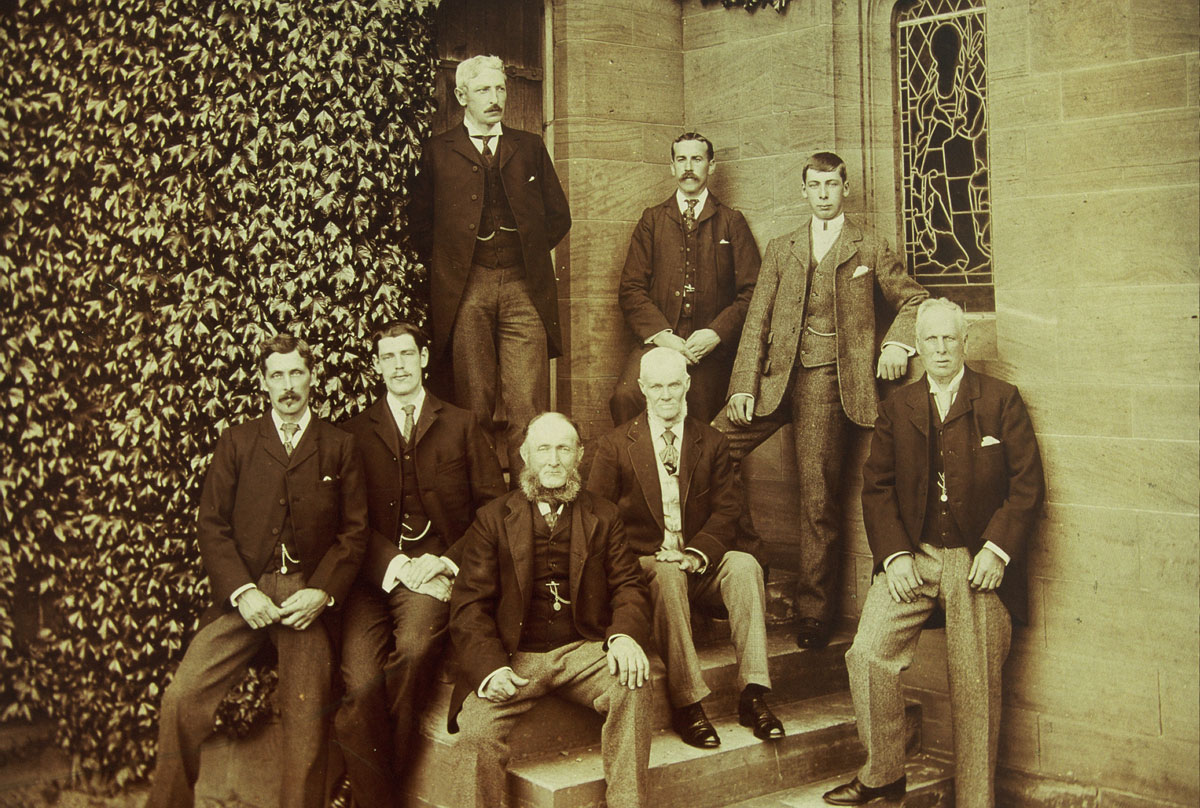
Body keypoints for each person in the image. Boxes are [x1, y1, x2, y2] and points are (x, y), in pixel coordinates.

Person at [823, 298, 1044, 807]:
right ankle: (883, 776)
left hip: (977, 559)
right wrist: (895, 556)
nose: (941, 349)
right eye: (931, 341)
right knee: (868, 654)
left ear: (965, 342)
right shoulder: (897, 407)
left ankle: (975, 800)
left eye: (950, 339)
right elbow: (876, 488)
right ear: (917, 347)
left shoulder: (1000, 400)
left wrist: (997, 550)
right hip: (916, 554)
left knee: (975, 683)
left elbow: (1027, 486)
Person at [715, 151, 928, 650]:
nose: (825, 193)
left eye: (833, 184)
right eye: (816, 185)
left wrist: (897, 342)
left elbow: (914, 299)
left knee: (817, 499)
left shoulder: (868, 246)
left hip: (828, 386)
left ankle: (815, 612)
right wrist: (742, 386)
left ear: (846, 187)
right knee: (707, 447)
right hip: (772, 380)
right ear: (803, 191)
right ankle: (739, 557)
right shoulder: (782, 247)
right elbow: (757, 323)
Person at [147, 335, 368, 808]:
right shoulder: (239, 441)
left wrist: (322, 593)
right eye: (277, 376)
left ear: (312, 376)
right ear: (263, 382)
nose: (288, 386)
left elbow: (355, 533)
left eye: (296, 373)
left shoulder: (339, 445)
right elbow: (211, 523)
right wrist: (243, 592)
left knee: (307, 721)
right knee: (181, 697)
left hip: (304, 599)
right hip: (245, 594)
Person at [335, 322, 505, 808]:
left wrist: (446, 564)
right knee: (362, 680)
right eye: (388, 358)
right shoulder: (354, 433)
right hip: (375, 578)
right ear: (377, 366)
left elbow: (493, 511)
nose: (399, 366)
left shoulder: (461, 423)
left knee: (411, 653)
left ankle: (366, 793)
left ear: (424, 358)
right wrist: (394, 563)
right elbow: (348, 523)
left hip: (435, 576)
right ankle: (378, 792)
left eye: (407, 355)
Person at [449, 412, 653, 808]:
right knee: (473, 734)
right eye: (543, 448)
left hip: (581, 649)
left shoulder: (605, 514)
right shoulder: (492, 519)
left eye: (564, 448)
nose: (554, 459)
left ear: (579, 455)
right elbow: (469, 603)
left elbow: (629, 584)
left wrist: (625, 636)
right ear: (525, 455)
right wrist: (490, 668)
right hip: (513, 656)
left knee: (634, 683)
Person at [589, 347, 783, 749]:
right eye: (656, 386)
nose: (665, 395)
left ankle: (754, 694)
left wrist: (695, 554)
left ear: (688, 385)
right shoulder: (614, 446)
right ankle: (688, 703)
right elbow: (598, 523)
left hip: (696, 561)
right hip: (647, 567)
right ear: (642, 389)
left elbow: (728, 511)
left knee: (745, 565)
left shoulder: (710, 441)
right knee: (666, 571)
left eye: (673, 384)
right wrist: (659, 559)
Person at [409, 54, 571, 476]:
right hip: (467, 287)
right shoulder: (439, 151)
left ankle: (529, 504)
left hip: (522, 286)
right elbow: (419, 224)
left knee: (527, 402)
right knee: (473, 400)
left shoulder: (529, 146)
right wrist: (457, 262)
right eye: (483, 90)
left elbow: (559, 216)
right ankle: (483, 508)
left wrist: (526, 253)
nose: (495, 98)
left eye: (500, 89)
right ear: (462, 95)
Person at [609, 132, 760, 424]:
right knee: (625, 398)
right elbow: (631, 289)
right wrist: (664, 336)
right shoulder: (652, 220)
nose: (688, 167)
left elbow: (753, 291)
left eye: (697, 159)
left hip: (709, 351)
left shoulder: (731, 222)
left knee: (698, 412)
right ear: (672, 166)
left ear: (711, 165)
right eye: (681, 159)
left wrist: (716, 334)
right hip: (659, 343)